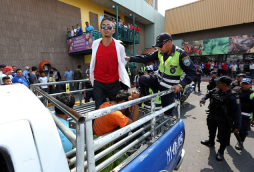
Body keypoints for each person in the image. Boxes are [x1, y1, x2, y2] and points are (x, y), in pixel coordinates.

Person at [125, 32, 196, 117]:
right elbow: (146, 57)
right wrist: (130, 58)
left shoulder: (181, 55)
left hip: (169, 87)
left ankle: (168, 124)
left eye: (160, 46)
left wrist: (180, 85)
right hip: (157, 79)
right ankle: (145, 100)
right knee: (142, 79)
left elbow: (192, 72)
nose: (159, 48)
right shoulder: (160, 52)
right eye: (158, 46)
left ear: (169, 42)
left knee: (167, 111)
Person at [90, 17, 130, 109]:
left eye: (109, 26)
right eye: (103, 26)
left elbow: (122, 64)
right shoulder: (95, 44)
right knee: (99, 110)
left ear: (113, 30)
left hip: (114, 83)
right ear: (100, 30)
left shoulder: (120, 47)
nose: (106, 28)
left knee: (116, 110)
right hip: (98, 83)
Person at [200, 76, 241, 161]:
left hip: (225, 120)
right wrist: (203, 99)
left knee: (223, 137)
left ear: (224, 84)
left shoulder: (233, 96)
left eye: (218, 82)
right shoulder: (216, 90)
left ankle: (221, 151)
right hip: (213, 116)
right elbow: (208, 94)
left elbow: (237, 112)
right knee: (211, 130)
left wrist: (237, 126)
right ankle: (211, 141)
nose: (216, 83)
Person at [234, 78, 254, 150]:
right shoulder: (235, 90)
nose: (244, 85)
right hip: (234, 114)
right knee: (231, 127)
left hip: (246, 115)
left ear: (251, 85)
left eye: (246, 84)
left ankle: (240, 141)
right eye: (243, 83)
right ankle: (225, 139)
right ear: (240, 83)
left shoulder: (252, 94)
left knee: (243, 130)